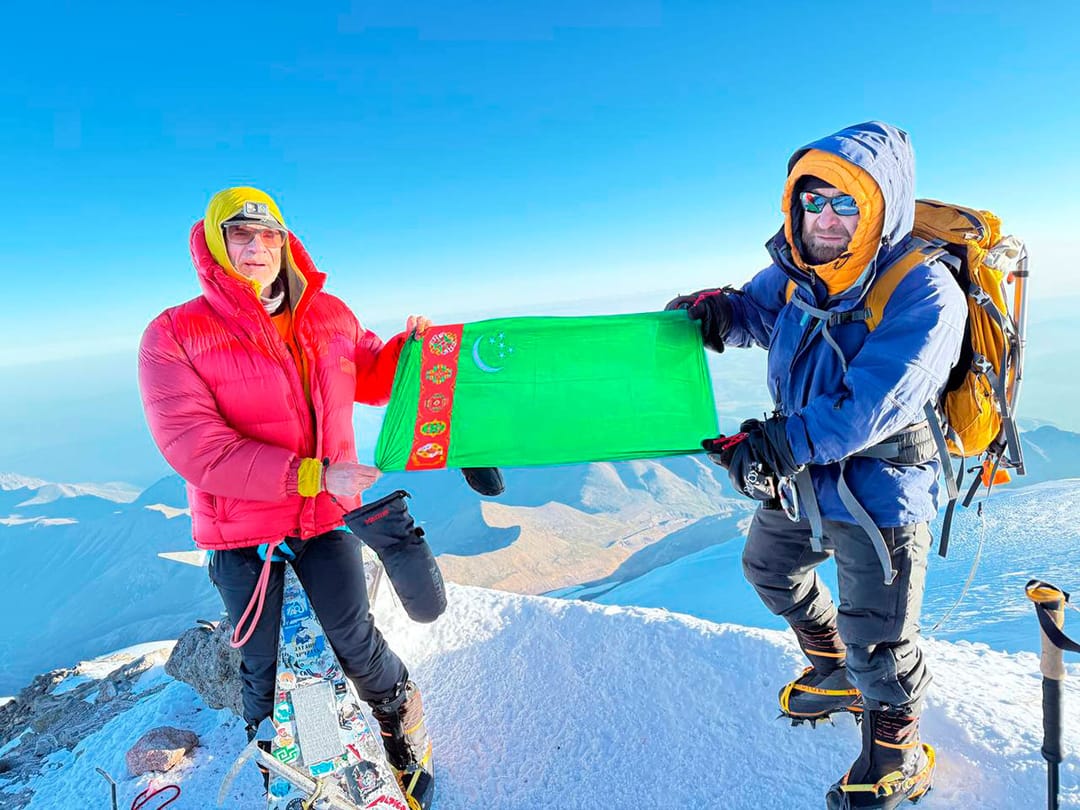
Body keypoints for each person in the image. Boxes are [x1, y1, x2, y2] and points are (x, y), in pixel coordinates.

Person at [667, 122, 966, 809]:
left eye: (845, 204)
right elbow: (756, 310)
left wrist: (775, 446)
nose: (825, 218)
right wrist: (717, 314)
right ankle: (833, 668)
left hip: (881, 484)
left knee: (882, 640)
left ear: (880, 208)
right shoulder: (801, 268)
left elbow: (870, 406)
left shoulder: (925, 291)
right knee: (769, 566)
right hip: (805, 468)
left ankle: (898, 751)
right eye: (813, 202)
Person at [138, 186, 434, 807]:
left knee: (354, 641)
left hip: (327, 516)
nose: (255, 247)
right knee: (266, 666)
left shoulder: (328, 313)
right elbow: (197, 446)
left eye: (267, 234)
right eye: (239, 235)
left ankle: (400, 725)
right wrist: (310, 475)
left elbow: (372, 376)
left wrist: (411, 355)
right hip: (243, 531)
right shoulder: (174, 333)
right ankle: (297, 767)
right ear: (216, 244)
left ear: (284, 242)